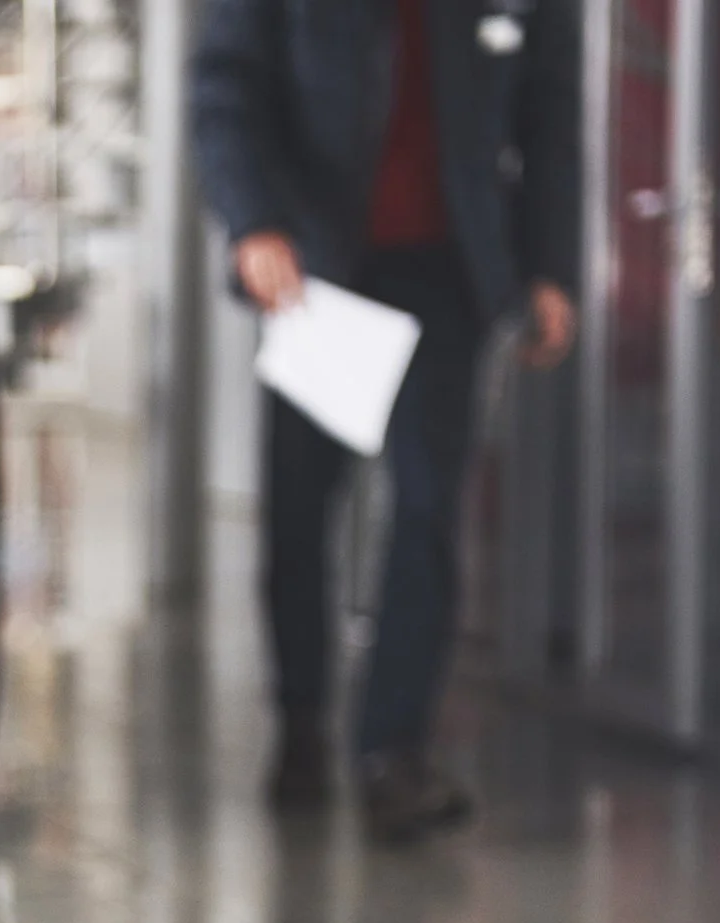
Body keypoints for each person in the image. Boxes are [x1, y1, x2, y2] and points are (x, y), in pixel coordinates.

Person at [191, 0, 580, 840]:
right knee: (300, 510)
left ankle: (392, 751)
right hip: (317, 270)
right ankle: (302, 718)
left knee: (430, 509)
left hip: (450, 270)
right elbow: (225, 88)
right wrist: (253, 220)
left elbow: (550, 114)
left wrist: (549, 266)